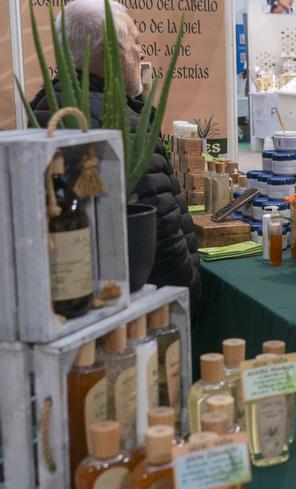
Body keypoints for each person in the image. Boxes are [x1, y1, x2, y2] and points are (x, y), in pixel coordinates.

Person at [30, 0, 200, 311]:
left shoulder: (45, 107)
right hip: (138, 305)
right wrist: (187, 298)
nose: (141, 53)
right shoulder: (122, 126)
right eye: (135, 42)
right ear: (111, 51)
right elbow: (159, 232)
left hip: (76, 296)